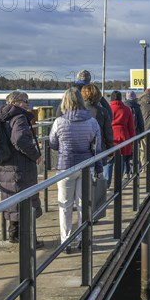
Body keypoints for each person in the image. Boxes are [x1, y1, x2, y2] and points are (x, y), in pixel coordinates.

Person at [49, 88, 102, 254]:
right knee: (83, 205)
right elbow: (98, 148)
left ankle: (66, 242)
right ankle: (82, 238)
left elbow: (52, 144)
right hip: (87, 166)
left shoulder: (59, 122)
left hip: (66, 167)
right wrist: (99, 168)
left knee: (65, 205)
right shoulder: (92, 122)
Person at [0, 90, 43, 246]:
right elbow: (20, 139)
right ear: (16, 102)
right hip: (20, 166)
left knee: (12, 200)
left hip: (4, 164)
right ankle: (29, 241)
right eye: (26, 101)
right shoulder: (19, 117)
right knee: (27, 202)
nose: (28, 104)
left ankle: (14, 235)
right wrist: (36, 155)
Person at [81, 84, 113, 221]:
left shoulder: (79, 111)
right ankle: (93, 212)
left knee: (82, 183)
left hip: (82, 151)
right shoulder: (102, 111)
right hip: (99, 150)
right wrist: (111, 149)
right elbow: (108, 132)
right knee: (95, 180)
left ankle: (84, 213)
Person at [103, 91, 135, 187]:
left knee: (109, 162)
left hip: (110, 136)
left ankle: (106, 185)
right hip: (123, 136)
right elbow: (131, 126)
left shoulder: (106, 109)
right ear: (121, 98)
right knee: (120, 161)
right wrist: (132, 140)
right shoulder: (127, 109)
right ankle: (118, 184)